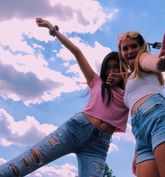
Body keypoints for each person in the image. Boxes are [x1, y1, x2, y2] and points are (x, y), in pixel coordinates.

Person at [0, 18, 128, 177]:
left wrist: (125, 77)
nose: (111, 71)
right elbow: (77, 52)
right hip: (75, 130)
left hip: (98, 146)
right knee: (22, 165)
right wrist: (52, 28)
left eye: (117, 67)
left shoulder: (131, 92)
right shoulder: (96, 81)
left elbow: (147, 77)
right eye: (108, 67)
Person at [117, 31, 165, 177]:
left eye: (134, 46)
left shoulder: (143, 60)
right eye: (125, 48)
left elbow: (154, 63)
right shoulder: (132, 78)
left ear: (142, 48)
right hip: (141, 136)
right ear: (121, 53)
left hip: (161, 121)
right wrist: (136, 152)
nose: (130, 51)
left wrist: (162, 62)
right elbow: (139, 119)